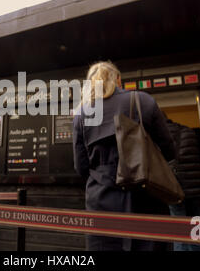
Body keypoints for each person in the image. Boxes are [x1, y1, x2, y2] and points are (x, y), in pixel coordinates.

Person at [73, 61, 176, 251]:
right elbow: (169, 150)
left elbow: (81, 167)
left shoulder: (81, 114)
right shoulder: (144, 100)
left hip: (101, 199)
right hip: (145, 194)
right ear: (118, 79)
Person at [166, 118, 200, 251]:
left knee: (180, 231)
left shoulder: (158, 135)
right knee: (198, 231)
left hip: (175, 189)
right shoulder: (188, 131)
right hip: (197, 188)